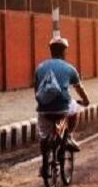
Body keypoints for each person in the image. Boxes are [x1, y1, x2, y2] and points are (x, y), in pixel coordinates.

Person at [34, 36, 90, 176]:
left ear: (51, 51)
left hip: (44, 109)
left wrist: (43, 102)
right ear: (64, 52)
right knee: (75, 107)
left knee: (44, 137)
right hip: (62, 108)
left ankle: (45, 164)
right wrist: (86, 100)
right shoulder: (69, 68)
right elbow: (79, 88)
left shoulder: (40, 67)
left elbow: (36, 90)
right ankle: (69, 135)